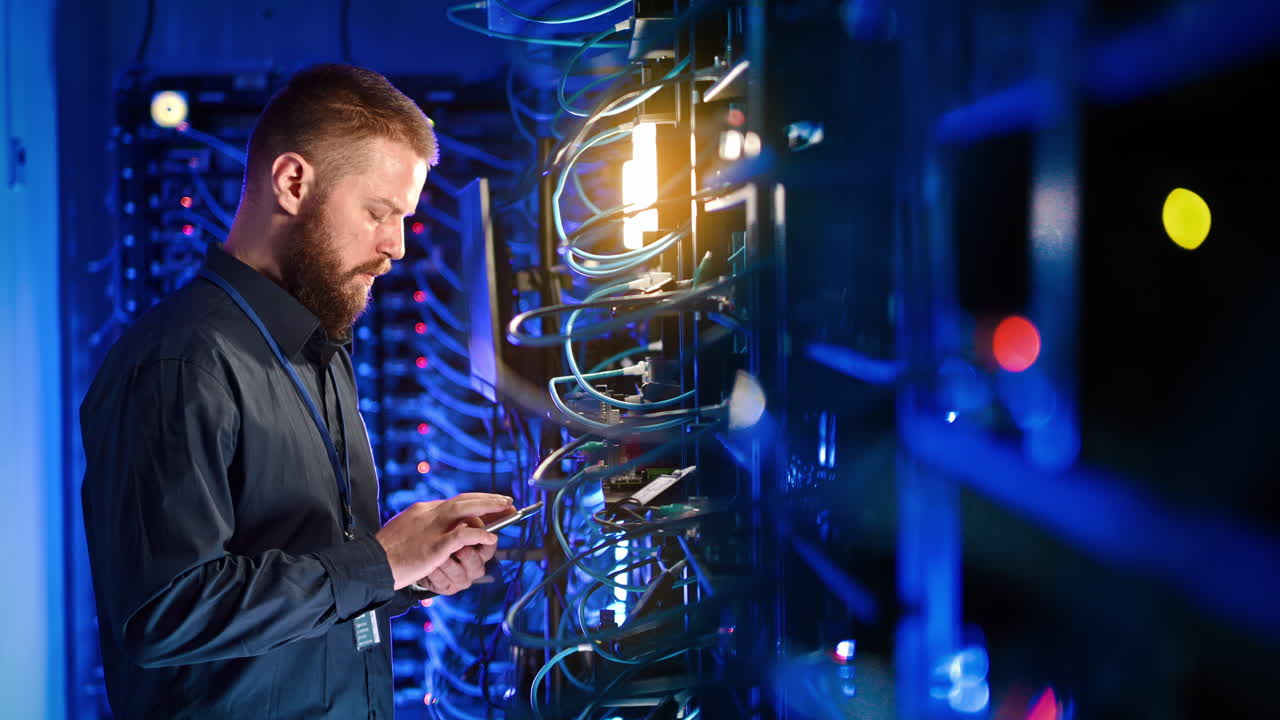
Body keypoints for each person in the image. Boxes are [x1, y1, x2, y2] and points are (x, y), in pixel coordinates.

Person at [79, 64, 515, 719]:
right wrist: (379, 564)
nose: (395, 246)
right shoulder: (182, 361)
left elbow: (308, 588)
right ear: (292, 183)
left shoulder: (320, 349)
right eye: (378, 212)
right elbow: (165, 615)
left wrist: (409, 575)